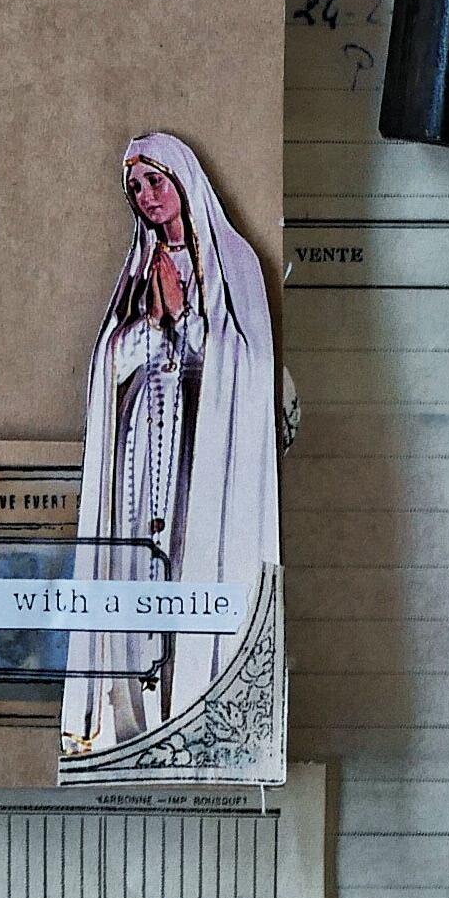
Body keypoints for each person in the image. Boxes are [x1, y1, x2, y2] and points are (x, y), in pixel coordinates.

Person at [61, 132, 279, 756]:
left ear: (182, 181)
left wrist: (185, 317)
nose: (146, 197)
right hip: (141, 450)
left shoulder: (233, 262)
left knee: (190, 560)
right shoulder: (138, 270)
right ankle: (133, 720)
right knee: (136, 569)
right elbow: (111, 361)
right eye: (135, 188)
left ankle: (190, 707)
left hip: (200, 450)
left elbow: (248, 365)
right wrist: (150, 328)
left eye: (155, 181)